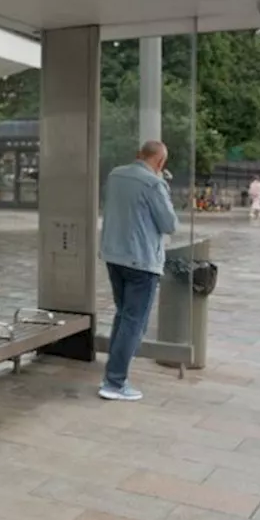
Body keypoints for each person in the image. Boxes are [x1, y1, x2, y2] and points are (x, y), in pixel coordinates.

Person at [98, 140, 179, 401]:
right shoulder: (154, 184)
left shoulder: (115, 175)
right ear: (159, 163)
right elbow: (169, 224)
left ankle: (113, 374)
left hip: (114, 255)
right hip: (142, 261)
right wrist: (163, 186)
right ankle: (114, 382)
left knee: (123, 316)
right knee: (134, 323)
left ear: (139, 155)